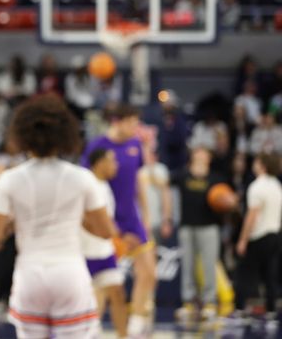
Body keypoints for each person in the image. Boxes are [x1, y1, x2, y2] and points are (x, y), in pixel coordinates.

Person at [0, 95, 116, 339]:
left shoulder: (9, 179)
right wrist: (76, 216)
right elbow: (106, 231)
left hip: (29, 275)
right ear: (65, 134)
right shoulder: (82, 178)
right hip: (69, 271)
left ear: (22, 134)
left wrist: (16, 222)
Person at [82, 104, 157, 338]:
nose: (136, 128)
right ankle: (93, 328)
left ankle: (135, 320)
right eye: (132, 123)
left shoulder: (135, 144)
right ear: (117, 121)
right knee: (105, 281)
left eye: (137, 123)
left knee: (149, 272)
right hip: (107, 219)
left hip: (131, 217)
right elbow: (86, 183)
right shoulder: (97, 146)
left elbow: (138, 181)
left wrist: (146, 215)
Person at [171, 148, 229, 323]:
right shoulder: (183, 175)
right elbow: (165, 182)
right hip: (187, 227)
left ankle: (209, 302)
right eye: (198, 152)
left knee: (209, 264)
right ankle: (189, 301)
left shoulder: (216, 178)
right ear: (193, 155)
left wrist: (228, 203)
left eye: (205, 153)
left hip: (209, 227)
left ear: (209, 158)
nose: (201, 155)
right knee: (187, 265)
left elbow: (228, 200)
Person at [81, 148, 129, 339]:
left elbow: (107, 220)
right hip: (83, 253)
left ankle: (123, 336)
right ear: (99, 163)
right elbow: (80, 217)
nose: (115, 165)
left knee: (117, 293)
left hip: (105, 252)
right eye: (112, 160)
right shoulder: (85, 183)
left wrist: (117, 234)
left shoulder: (106, 186)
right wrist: (102, 232)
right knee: (87, 303)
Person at [234, 153, 282, 321]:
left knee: (245, 272)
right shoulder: (277, 185)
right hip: (275, 234)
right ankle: (271, 309)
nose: (253, 164)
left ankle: (240, 308)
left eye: (256, 161)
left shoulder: (257, 186)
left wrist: (243, 239)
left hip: (258, 235)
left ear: (262, 165)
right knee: (271, 273)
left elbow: (252, 215)